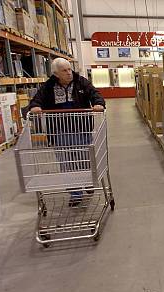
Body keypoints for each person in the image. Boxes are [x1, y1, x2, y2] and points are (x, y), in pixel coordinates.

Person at [27, 58, 106, 207]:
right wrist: (35, 107)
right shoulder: (48, 86)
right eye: (65, 70)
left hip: (81, 129)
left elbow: (95, 93)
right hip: (60, 132)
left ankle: (87, 182)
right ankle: (75, 194)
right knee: (67, 164)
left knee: (85, 161)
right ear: (56, 74)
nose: (69, 73)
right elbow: (37, 99)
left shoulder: (81, 82)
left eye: (70, 69)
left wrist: (98, 103)